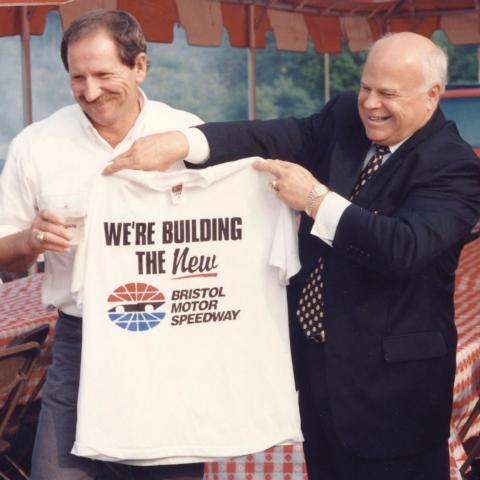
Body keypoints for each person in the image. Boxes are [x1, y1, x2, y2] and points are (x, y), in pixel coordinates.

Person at [103, 32, 480, 480]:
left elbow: (403, 248)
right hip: (319, 378)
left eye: (388, 94)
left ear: (432, 95)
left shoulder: (454, 165)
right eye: (365, 87)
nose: (370, 104)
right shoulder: (344, 116)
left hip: (395, 395)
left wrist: (317, 199)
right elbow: (274, 135)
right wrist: (185, 143)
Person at [0, 9, 205, 480]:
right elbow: (3, 248)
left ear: (140, 67)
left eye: (104, 75)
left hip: (171, 343)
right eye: (78, 78)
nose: (90, 92)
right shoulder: (38, 144)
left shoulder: (188, 133)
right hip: (80, 341)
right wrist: (30, 239)